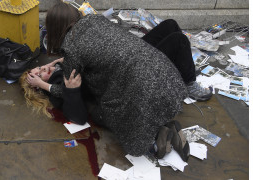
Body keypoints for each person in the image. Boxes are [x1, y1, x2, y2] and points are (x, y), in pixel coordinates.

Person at [21, 2, 213, 161]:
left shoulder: (71, 50)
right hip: (166, 72)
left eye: (38, 69)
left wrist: (45, 80)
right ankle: (163, 131)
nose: (41, 68)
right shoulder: (93, 20)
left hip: (140, 82)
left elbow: (70, 88)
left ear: (54, 28)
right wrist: (51, 74)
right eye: (38, 72)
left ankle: (159, 138)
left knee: (126, 129)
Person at [19, 57, 88, 125]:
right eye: (40, 75)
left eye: (39, 67)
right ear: (38, 84)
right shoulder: (55, 87)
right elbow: (65, 92)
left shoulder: (56, 66)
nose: (43, 69)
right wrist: (42, 84)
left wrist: (53, 62)